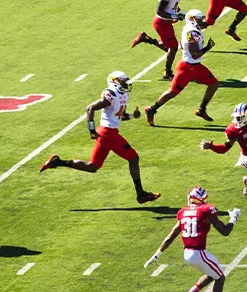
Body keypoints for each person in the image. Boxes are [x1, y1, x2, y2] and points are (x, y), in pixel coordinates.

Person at [37, 72, 163, 204]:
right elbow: (90, 108)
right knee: (133, 158)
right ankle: (140, 194)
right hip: (108, 133)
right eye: (123, 81)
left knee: (93, 167)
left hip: (106, 133)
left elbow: (119, 115)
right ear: (116, 82)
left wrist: (132, 116)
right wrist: (91, 128)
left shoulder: (123, 94)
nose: (126, 83)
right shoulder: (111, 93)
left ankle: (58, 162)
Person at [146, 187, 238, 292]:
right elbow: (225, 231)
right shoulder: (207, 210)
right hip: (198, 253)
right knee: (220, 278)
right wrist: (233, 218)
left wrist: (156, 254)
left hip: (187, 254)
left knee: (211, 274)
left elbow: (171, 236)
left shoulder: (183, 212)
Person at [143, 10, 223, 124]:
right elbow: (194, 54)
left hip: (196, 67)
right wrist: (208, 47)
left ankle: (202, 109)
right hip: (187, 67)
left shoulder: (191, 28)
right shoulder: (192, 32)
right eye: (199, 19)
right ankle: (152, 109)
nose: (201, 21)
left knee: (214, 84)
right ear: (192, 19)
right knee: (173, 92)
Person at [132, 0, 189, 80]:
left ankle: (146, 38)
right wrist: (176, 17)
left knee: (171, 48)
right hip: (162, 22)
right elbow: (160, 12)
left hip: (166, 22)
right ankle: (167, 72)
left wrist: (184, 15)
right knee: (173, 48)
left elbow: (174, 6)